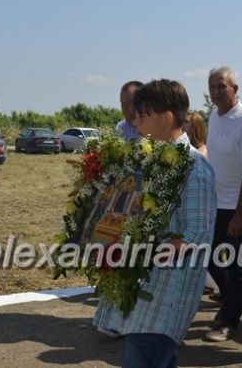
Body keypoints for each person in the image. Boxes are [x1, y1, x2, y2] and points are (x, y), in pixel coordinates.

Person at [120, 79, 216, 367]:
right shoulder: (159, 159)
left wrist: (138, 253)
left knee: (144, 355)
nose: (135, 123)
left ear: (167, 117)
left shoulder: (194, 167)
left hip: (170, 291)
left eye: (142, 115)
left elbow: (195, 236)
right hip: (152, 286)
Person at [204, 66, 242, 342]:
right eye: (213, 87)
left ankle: (229, 322)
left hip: (238, 207)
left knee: (235, 266)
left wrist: (241, 213)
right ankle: (230, 301)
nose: (217, 92)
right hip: (214, 204)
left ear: (235, 89)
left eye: (222, 87)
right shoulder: (213, 117)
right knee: (209, 257)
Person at [94, 80, 144, 338]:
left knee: (134, 263)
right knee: (114, 259)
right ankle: (114, 316)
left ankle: (130, 318)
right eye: (121, 102)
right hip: (118, 206)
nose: (125, 107)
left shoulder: (150, 129)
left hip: (143, 207)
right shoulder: (119, 129)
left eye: (130, 102)